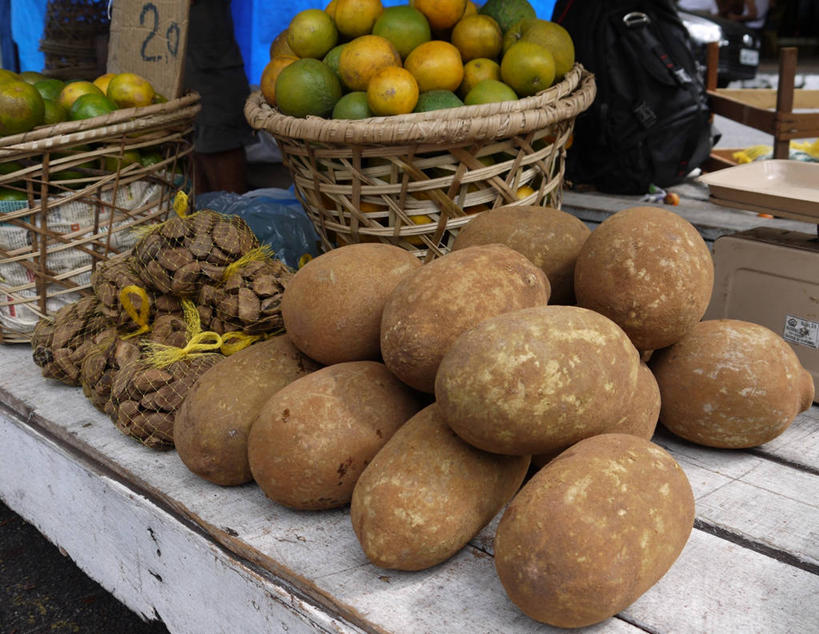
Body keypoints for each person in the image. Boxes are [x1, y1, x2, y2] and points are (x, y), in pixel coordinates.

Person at [184, 0, 254, 195]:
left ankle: (232, 220)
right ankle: (199, 219)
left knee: (220, 141)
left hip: (209, 50)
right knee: (183, 143)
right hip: (164, 37)